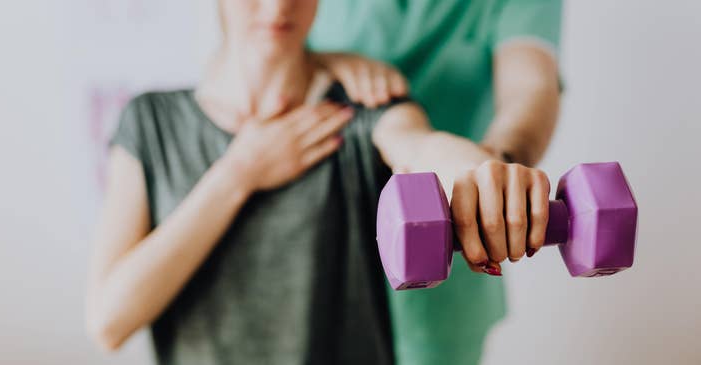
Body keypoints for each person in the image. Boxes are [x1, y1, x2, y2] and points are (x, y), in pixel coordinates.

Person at [85, 0, 554, 364]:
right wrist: (239, 173)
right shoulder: (151, 121)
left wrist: (481, 172)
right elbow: (108, 322)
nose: (278, 4)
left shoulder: (365, 112)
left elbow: (422, 146)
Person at [308, 1, 562, 364]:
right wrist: (322, 62)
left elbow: (532, 86)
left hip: (447, 274)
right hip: (318, 260)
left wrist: (494, 168)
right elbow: (255, 48)